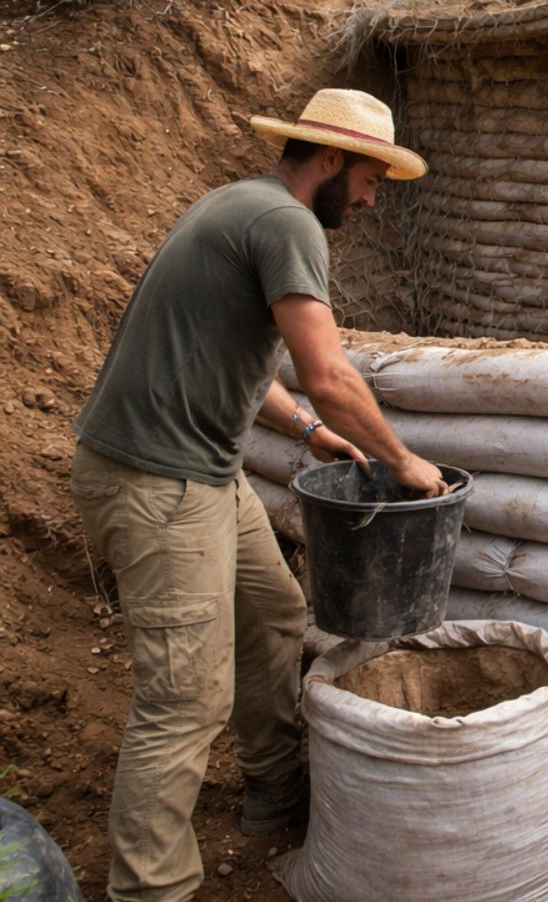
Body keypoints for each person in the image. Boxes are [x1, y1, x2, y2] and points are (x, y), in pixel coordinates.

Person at [70, 88, 450, 902]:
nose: (372, 198)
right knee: (184, 700)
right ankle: (153, 891)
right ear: (331, 159)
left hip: (199, 472)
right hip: (159, 483)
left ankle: (273, 789)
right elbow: (330, 375)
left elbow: (230, 354)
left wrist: (310, 432)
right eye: (370, 178)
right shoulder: (288, 224)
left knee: (274, 612)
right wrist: (403, 461)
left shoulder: (239, 204)